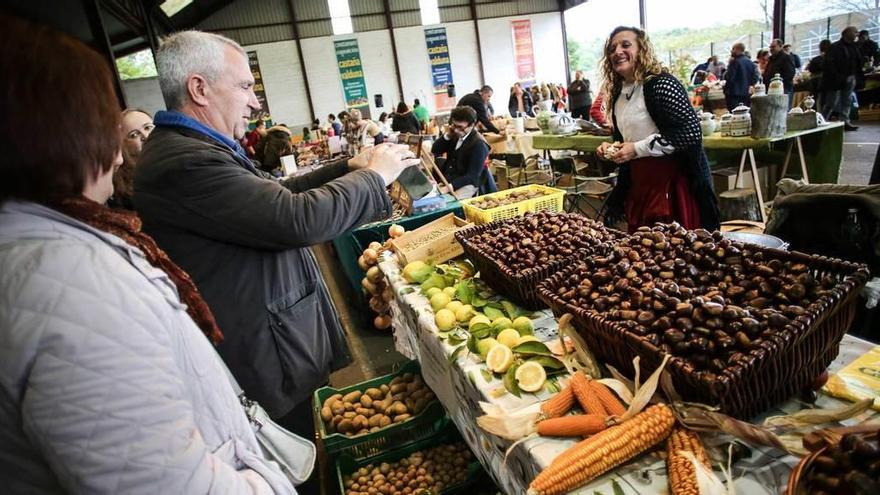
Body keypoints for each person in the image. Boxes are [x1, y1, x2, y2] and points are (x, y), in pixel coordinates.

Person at [0, 15, 296, 494]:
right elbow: (158, 480)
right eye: (103, 128)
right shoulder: (72, 285)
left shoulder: (38, 256)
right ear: (60, 133)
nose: (118, 157)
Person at [133, 30, 418, 464]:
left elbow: (273, 193)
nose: (254, 102)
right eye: (245, 86)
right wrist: (373, 176)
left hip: (269, 344)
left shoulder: (198, 148)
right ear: (199, 88)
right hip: (259, 356)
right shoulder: (185, 163)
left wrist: (347, 166)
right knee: (292, 462)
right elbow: (295, 218)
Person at [595, 26, 720, 233]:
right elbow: (625, 137)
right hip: (639, 184)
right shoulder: (619, 93)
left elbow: (689, 133)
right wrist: (613, 148)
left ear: (642, 49)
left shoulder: (661, 84)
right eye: (612, 48)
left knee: (674, 251)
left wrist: (636, 148)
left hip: (670, 185)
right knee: (645, 253)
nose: (617, 51)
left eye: (626, 45)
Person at [431, 106, 491, 199]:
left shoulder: (479, 144)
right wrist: (447, 135)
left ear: (471, 125)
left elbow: (472, 176)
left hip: (468, 183)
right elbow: (435, 150)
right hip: (449, 179)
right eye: (454, 125)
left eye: (460, 127)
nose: (456, 130)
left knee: (450, 205)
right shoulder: (454, 135)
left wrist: (449, 187)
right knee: (432, 199)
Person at [109, 108, 154, 210]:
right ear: (123, 145)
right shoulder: (121, 190)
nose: (146, 136)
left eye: (148, 128)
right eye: (134, 135)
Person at [822, 26, 863, 131]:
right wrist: (839, 76)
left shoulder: (854, 47)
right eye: (855, 32)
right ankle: (822, 121)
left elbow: (858, 62)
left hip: (850, 78)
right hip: (835, 80)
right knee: (831, 103)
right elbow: (829, 64)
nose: (857, 34)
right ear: (847, 33)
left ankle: (845, 121)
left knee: (847, 101)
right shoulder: (834, 47)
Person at [724, 42, 758, 110]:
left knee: (735, 115)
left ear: (738, 49)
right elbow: (755, 79)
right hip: (746, 94)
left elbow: (729, 78)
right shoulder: (751, 63)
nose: (731, 51)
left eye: (733, 49)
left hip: (734, 94)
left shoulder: (734, 62)